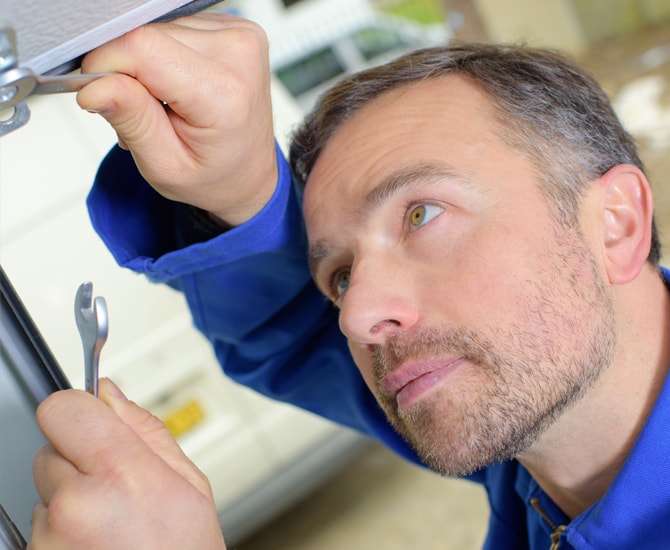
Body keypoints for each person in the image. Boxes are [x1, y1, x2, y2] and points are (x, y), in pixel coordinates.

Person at [28, 12, 670, 550]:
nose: (355, 316)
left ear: (615, 224)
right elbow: (298, 330)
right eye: (339, 276)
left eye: (420, 214)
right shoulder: (540, 452)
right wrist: (238, 193)